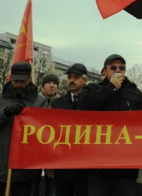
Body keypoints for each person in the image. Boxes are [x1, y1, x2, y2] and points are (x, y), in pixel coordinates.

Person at [76, 54, 142, 196]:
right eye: (113, 67)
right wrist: (111, 88)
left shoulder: (136, 94)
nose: (118, 70)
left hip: (126, 167)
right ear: (105, 71)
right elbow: (83, 105)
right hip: (97, 167)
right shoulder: (93, 89)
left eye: (121, 68)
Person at [0, 61, 48, 196]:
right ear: (11, 78)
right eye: (16, 81)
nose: (19, 85)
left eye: (22, 81)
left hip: (23, 171)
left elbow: (45, 134)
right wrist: (4, 113)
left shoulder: (40, 102)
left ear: (29, 79)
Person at [51, 63, 90, 196]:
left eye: (76, 77)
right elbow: (52, 133)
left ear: (85, 80)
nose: (71, 80)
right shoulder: (58, 103)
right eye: (69, 77)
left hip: (86, 165)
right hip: (63, 165)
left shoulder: (93, 103)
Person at [30, 73, 60, 196]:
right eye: (48, 83)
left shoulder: (61, 103)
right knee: (32, 187)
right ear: (43, 86)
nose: (52, 85)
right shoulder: (33, 102)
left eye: (54, 83)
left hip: (53, 151)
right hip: (35, 150)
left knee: (52, 188)